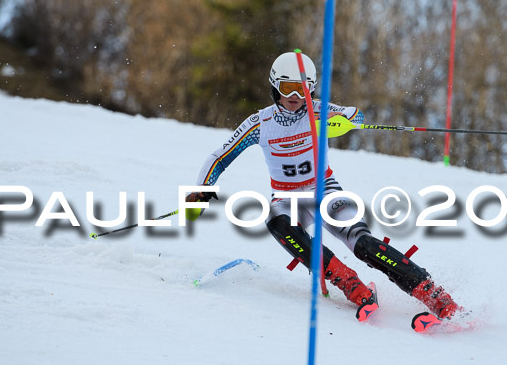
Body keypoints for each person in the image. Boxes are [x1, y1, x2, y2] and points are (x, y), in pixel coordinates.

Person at [185, 51, 460, 322]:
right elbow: (220, 157)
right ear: (274, 87)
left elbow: (356, 115)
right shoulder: (260, 123)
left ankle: (437, 297)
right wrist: (202, 189)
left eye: (303, 88)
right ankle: (349, 283)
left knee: (363, 244)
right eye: (288, 88)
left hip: (325, 190)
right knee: (275, 219)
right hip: (286, 198)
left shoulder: (318, 110)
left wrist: (345, 122)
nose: (295, 96)